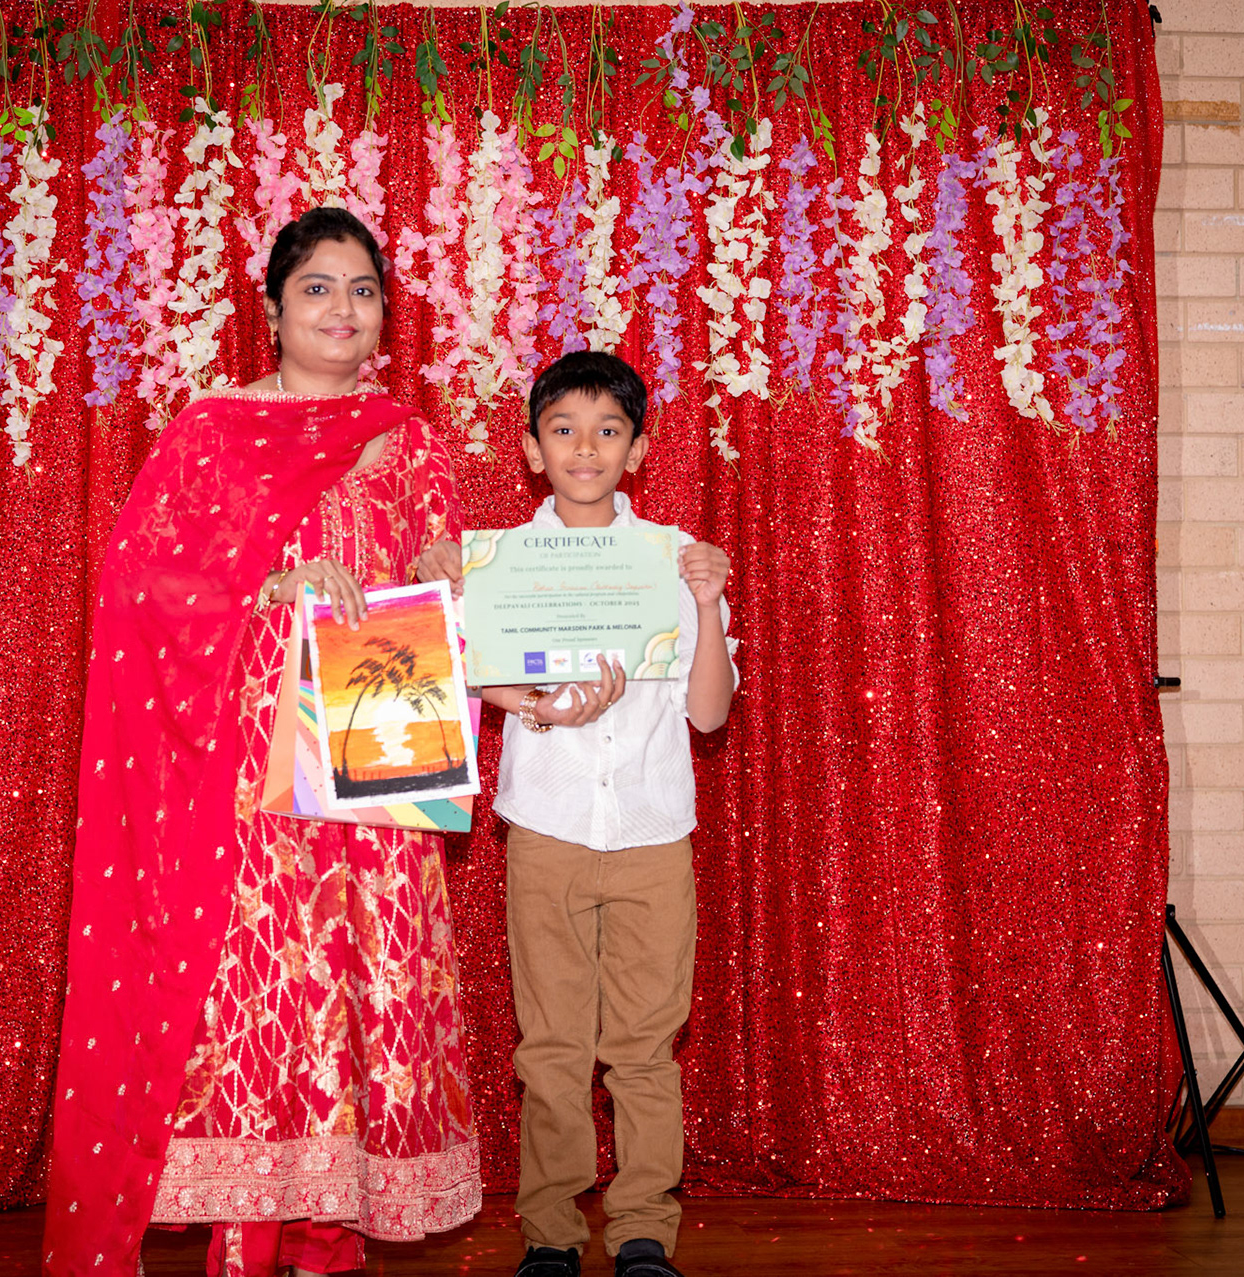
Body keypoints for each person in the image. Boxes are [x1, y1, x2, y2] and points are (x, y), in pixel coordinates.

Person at [45, 207, 480, 1277]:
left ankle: (331, 1238)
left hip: (376, 738)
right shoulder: (212, 431)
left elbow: (441, 574)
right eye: (318, 288)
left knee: (361, 968)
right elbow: (141, 583)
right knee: (266, 974)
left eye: (363, 290)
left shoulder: (407, 437)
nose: (343, 308)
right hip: (245, 760)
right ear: (275, 309)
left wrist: (453, 569)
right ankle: (249, 1235)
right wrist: (274, 583)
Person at [417, 351, 737, 1277]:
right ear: (532, 449)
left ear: (637, 450)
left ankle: (643, 1230)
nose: (585, 447)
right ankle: (551, 1232)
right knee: (552, 1043)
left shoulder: (675, 559)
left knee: (643, 1046)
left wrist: (707, 603)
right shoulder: (497, 564)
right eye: (563, 429)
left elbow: (709, 713)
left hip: (652, 834)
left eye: (608, 431)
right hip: (548, 829)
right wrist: (448, 591)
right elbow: (454, 671)